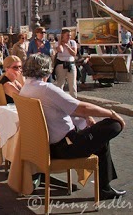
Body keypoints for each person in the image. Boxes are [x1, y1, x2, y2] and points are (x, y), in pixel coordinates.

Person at [20, 54, 126, 200]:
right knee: (113, 125)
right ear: (47, 70)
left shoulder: (26, 88)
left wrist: (84, 115)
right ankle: (104, 188)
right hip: (66, 147)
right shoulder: (46, 89)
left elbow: (64, 110)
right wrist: (112, 113)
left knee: (101, 139)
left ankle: (105, 187)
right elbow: (81, 108)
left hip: (48, 146)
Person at [54, 28, 78, 98]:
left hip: (71, 63)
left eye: (70, 35)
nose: (69, 37)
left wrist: (68, 47)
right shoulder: (57, 43)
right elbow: (60, 50)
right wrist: (60, 42)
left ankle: (74, 99)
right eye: (67, 35)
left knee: (72, 83)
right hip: (61, 64)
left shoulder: (72, 42)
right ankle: (59, 99)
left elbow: (74, 53)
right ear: (63, 36)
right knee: (60, 83)